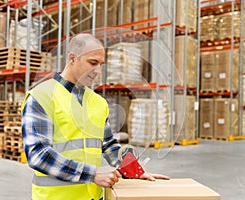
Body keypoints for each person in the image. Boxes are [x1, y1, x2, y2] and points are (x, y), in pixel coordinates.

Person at [21, 33, 169, 200]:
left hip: (93, 197)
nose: (98, 71)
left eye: (101, 64)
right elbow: (38, 155)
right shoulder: (41, 96)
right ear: (72, 58)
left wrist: (135, 171)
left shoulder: (98, 102)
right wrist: (92, 174)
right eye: (92, 63)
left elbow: (109, 145)